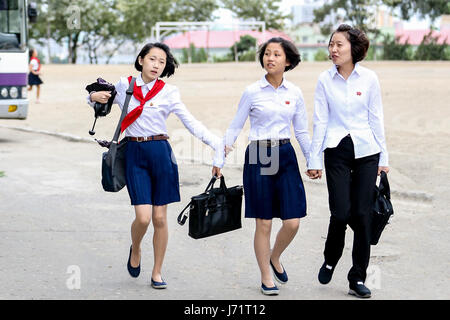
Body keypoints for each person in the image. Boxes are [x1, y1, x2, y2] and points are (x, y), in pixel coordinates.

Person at [88, 42, 222, 289]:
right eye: (152, 59)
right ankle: (136, 248)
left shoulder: (169, 92)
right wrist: (92, 96)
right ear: (140, 60)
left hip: (161, 154)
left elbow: (190, 122)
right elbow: (97, 100)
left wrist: (216, 144)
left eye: (162, 61)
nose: (157, 65)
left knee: (160, 219)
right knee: (143, 217)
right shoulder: (125, 85)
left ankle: (157, 272)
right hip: (135, 154)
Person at [212, 37, 311, 296]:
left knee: (292, 222)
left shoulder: (295, 93)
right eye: (267, 54)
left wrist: (313, 160)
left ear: (288, 61)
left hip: (285, 153)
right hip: (259, 154)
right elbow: (236, 125)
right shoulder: (252, 91)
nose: (270, 58)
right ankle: (266, 277)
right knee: (264, 222)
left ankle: (274, 256)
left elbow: (300, 131)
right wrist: (219, 158)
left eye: (277, 54)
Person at [306, 24, 389, 298]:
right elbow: (320, 120)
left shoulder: (369, 79)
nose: (333, 49)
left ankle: (357, 278)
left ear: (354, 48)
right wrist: (313, 158)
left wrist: (384, 157)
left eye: (339, 44)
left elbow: (376, 117)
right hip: (336, 150)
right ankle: (330, 258)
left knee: (363, 216)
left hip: (367, 151)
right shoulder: (324, 80)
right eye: (331, 44)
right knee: (340, 212)